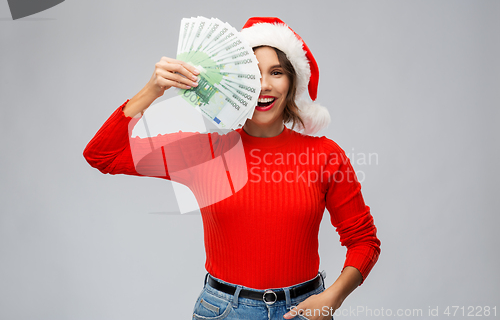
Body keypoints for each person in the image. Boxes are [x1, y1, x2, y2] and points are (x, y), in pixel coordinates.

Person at [83, 17, 381, 320]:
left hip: (304, 310)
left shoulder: (325, 155)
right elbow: (102, 155)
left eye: (276, 72)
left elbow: (364, 240)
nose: (264, 85)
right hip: (225, 311)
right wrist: (153, 89)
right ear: (235, 82)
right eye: (252, 73)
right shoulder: (204, 151)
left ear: (292, 82)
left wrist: (332, 298)